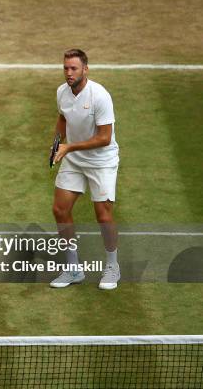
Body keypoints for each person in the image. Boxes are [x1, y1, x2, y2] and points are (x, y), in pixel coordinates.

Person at [49, 49, 120, 290]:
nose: (69, 73)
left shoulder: (100, 96)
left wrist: (70, 146)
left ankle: (112, 266)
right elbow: (63, 118)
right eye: (66, 68)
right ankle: (73, 269)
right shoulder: (62, 92)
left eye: (74, 68)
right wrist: (57, 144)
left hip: (102, 161)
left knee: (103, 215)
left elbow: (105, 138)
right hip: (74, 158)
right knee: (60, 210)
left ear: (85, 69)